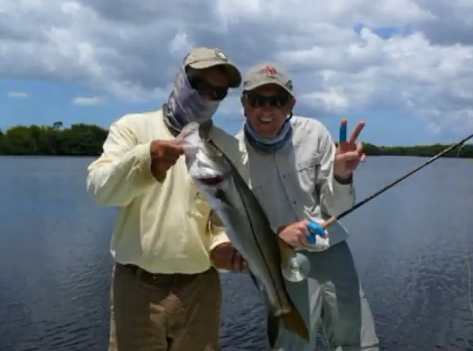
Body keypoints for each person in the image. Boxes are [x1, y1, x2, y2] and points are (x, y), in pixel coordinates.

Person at [210, 62, 380, 350]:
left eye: (277, 100)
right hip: (278, 261)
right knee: (294, 344)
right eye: (257, 100)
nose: (267, 109)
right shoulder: (232, 156)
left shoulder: (314, 132)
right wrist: (280, 234)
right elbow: (232, 225)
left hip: (331, 247)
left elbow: (337, 204)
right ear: (243, 104)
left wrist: (341, 174)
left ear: (291, 104)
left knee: (357, 340)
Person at [86, 47, 247, 351]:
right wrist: (145, 160)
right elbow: (100, 190)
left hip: (201, 288)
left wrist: (222, 246)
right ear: (180, 79)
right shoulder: (132, 128)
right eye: (200, 85)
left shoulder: (228, 146)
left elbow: (223, 218)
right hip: (137, 288)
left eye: (218, 92)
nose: (207, 96)